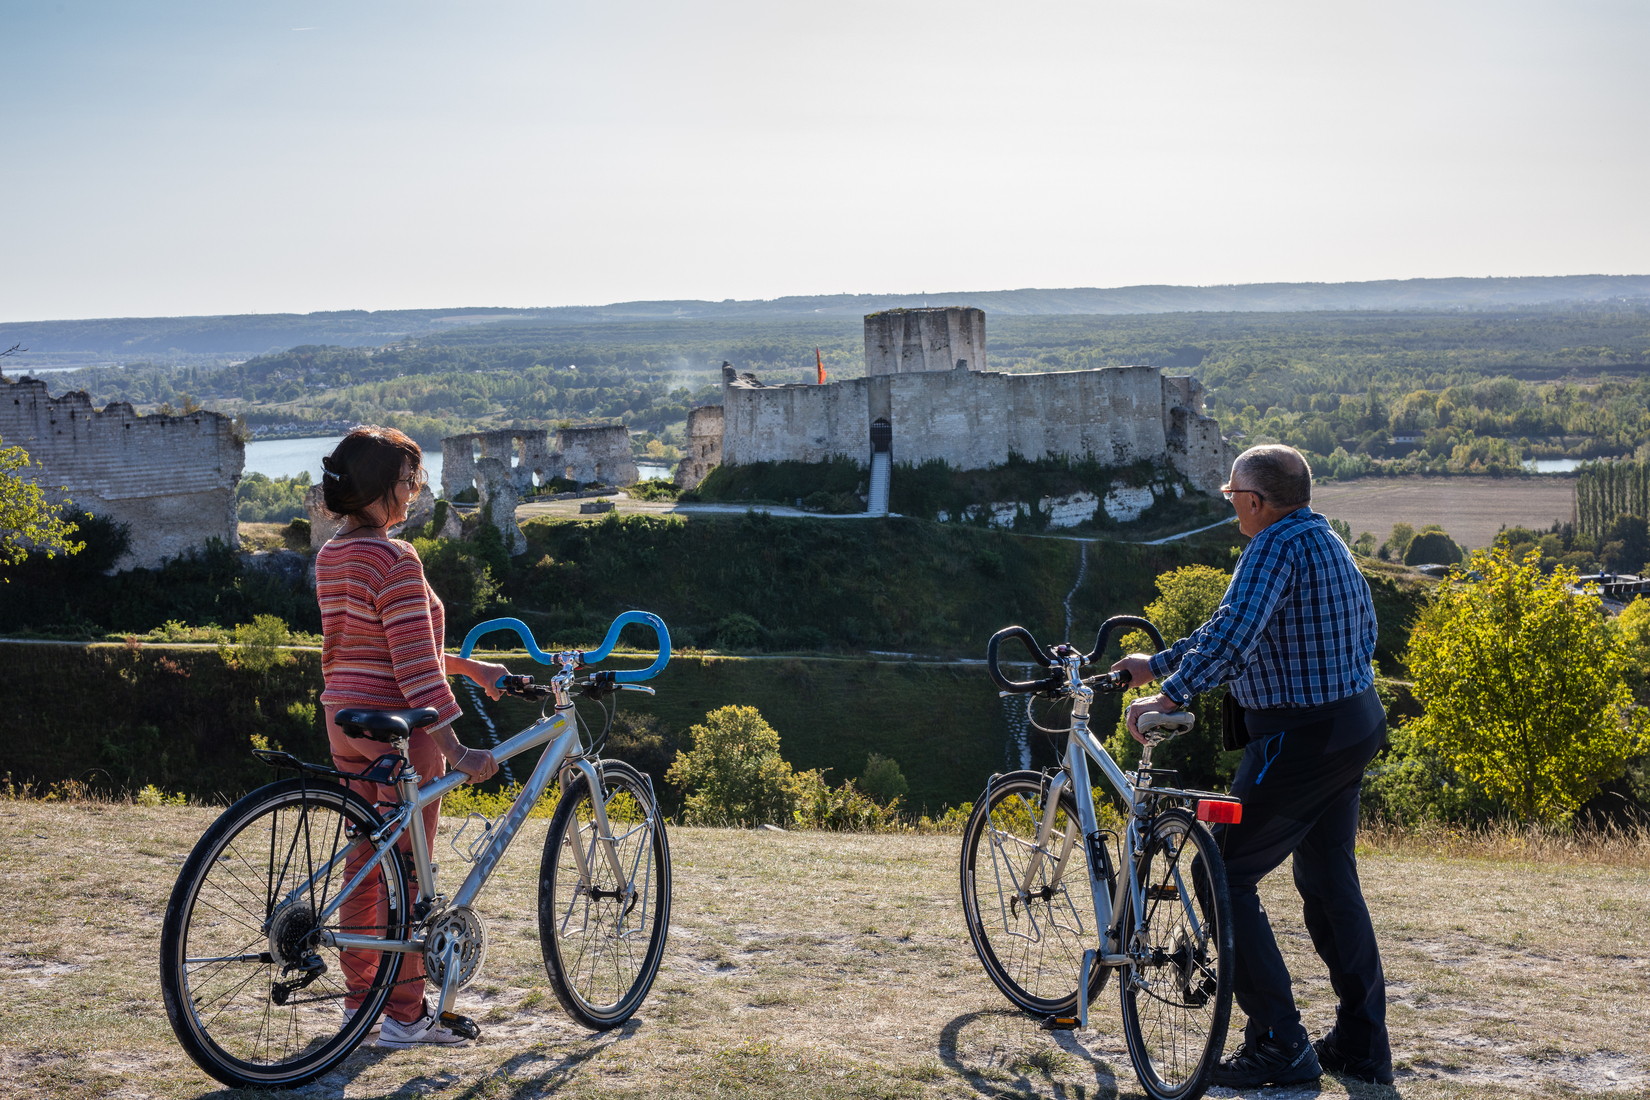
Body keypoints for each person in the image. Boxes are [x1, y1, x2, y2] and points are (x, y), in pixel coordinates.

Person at [1111, 443, 1393, 1089]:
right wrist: (1157, 664)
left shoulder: (1272, 547)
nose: (1230, 502)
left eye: (1233, 493)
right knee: (1328, 881)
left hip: (1301, 739)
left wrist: (1170, 695)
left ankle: (1278, 1045)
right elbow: (1232, 625)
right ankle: (1360, 1043)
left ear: (1256, 500)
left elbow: (1234, 640)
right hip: (1352, 724)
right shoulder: (1323, 537)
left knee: (1220, 873)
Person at [316, 426, 508, 1050]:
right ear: (380, 490)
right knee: (406, 868)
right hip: (402, 727)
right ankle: (402, 1013)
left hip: (346, 719)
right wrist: (457, 749)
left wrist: (471, 668)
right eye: (408, 481)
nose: (415, 491)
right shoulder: (396, 558)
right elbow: (413, 669)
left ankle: (358, 1004)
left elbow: (388, 643)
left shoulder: (333, 555)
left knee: (366, 863)